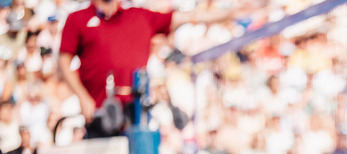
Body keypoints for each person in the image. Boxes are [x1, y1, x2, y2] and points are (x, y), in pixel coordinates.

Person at [58, 0, 241, 138]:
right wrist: (83, 97)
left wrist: (230, 13)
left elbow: (187, 17)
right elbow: (64, 62)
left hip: (136, 114)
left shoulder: (139, 16)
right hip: (100, 115)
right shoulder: (78, 19)